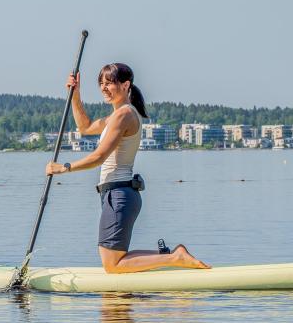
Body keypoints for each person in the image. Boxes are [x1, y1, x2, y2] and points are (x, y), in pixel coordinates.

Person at [46, 62, 211, 274]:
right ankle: (170, 256)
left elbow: (99, 156)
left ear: (125, 85)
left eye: (109, 83)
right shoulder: (115, 116)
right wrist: (75, 94)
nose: (104, 88)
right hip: (116, 193)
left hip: (118, 194)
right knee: (114, 261)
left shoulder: (124, 115)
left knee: (112, 265)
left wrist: (64, 168)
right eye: (101, 83)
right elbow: (85, 128)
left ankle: (174, 257)